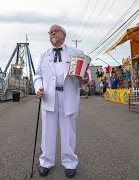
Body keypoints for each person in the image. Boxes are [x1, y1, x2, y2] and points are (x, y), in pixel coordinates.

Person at [33, 24, 91, 178]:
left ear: (63, 35)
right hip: (49, 96)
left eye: (55, 31)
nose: (52, 33)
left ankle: (70, 163)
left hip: (68, 96)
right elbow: (37, 75)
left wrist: (85, 79)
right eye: (50, 32)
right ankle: (46, 162)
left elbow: (86, 74)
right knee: (47, 133)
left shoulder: (76, 52)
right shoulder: (44, 55)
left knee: (68, 132)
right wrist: (38, 87)